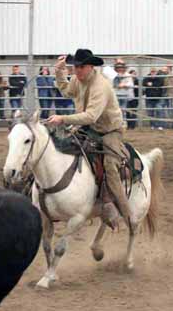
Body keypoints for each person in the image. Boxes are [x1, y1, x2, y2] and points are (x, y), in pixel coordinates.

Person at [47, 49, 132, 230]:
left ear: (90, 67)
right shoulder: (79, 80)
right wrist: (59, 72)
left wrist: (63, 119)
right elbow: (66, 91)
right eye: (75, 66)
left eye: (81, 66)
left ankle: (125, 213)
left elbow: (91, 116)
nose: (77, 70)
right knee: (66, 148)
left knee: (110, 165)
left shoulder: (100, 85)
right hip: (89, 128)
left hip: (110, 130)